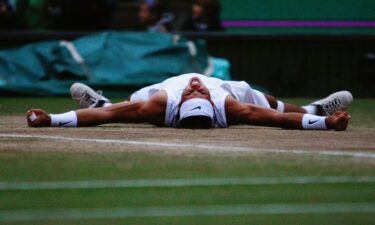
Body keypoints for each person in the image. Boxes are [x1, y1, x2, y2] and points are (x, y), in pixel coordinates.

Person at [27, 73, 352, 130]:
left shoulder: (162, 103)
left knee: (123, 107)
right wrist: (325, 124)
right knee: (268, 104)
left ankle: (99, 101)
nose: (195, 87)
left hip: (161, 90)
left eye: (193, 94)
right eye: (197, 94)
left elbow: (110, 117)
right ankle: (316, 110)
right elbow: (277, 119)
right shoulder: (228, 106)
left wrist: (51, 119)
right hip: (225, 88)